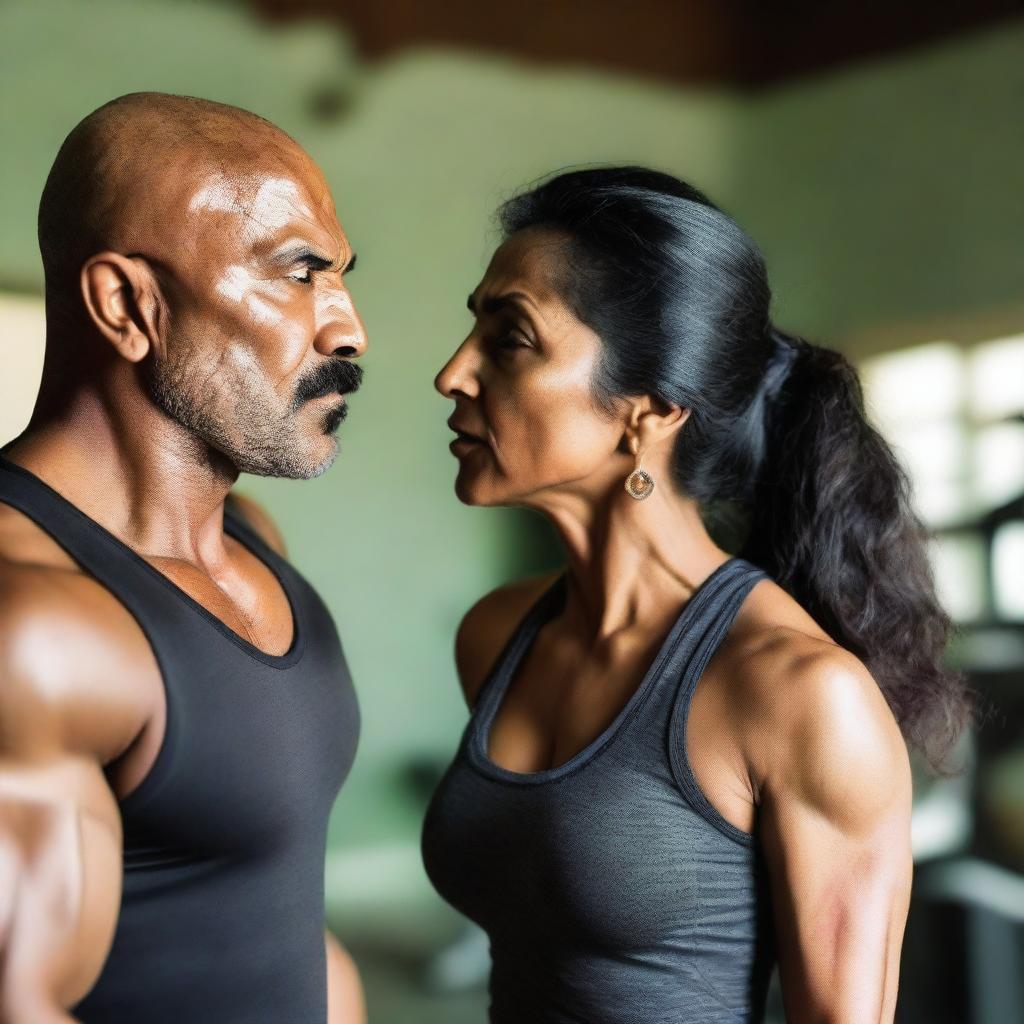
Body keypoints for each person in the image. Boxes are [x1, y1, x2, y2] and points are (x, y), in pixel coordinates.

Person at [422, 166, 974, 1023]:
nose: (453, 375)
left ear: (648, 410)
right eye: (473, 329)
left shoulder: (800, 696)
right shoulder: (496, 636)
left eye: (511, 338)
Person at [0, 93, 367, 1023]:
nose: (347, 328)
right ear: (130, 304)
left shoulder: (252, 542)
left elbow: (275, 908)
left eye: (340, 276)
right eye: (297, 274)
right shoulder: (32, 627)